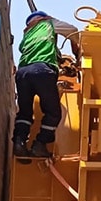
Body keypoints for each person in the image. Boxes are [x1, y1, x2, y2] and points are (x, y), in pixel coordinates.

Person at [13, 11, 80, 158]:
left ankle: (19, 142)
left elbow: (41, 49)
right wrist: (77, 49)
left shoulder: (27, 35)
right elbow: (72, 30)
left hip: (22, 73)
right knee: (53, 113)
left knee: (24, 113)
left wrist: (59, 58)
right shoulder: (48, 23)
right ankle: (40, 144)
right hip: (42, 71)